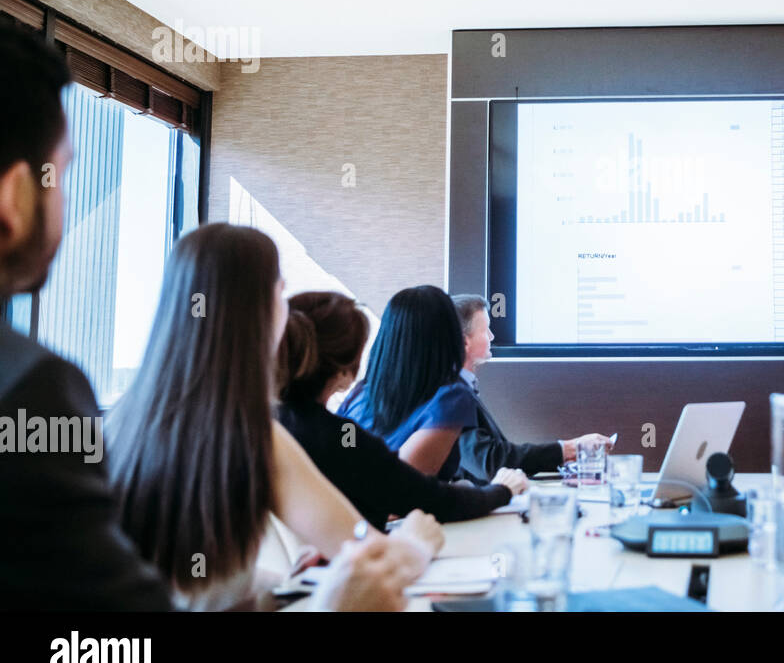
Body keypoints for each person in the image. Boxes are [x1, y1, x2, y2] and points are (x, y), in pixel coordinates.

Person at [0, 23, 413, 611]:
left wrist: (264, 590)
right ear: (16, 196)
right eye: (61, 176)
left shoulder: (115, 421)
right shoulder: (38, 391)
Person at [108, 223, 444, 610]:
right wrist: (417, 543)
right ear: (261, 311)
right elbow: (374, 560)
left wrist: (276, 584)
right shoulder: (254, 436)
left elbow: (181, 585)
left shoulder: (119, 423)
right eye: (281, 292)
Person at [277, 291, 527, 527]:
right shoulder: (342, 431)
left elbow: (349, 453)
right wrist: (501, 490)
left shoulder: (329, 423)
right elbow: (416, 495)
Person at [451, 294, 611, 482]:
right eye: (486, 331)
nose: (492, 337)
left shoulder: (460, 387)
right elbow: (489, 462)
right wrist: (569, 448)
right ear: (465, 342)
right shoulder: (450, 395)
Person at [339, 285, 477, 479]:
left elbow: (343, 453)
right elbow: (404, 485)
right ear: (450, 337)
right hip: (394, 507)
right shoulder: (450, 398)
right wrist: (498, 492)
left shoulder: (358, 395)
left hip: (345, 504)